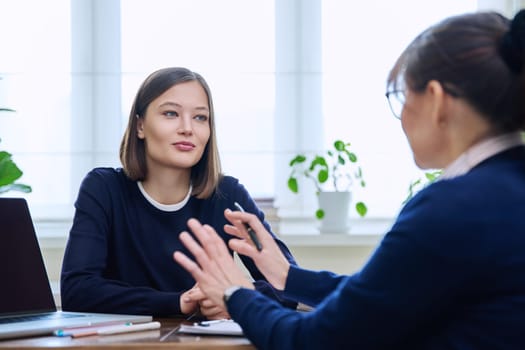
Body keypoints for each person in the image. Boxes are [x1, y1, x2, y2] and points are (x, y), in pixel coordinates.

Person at [174, 10, 525, 349]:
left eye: (400, 97)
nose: (401, 116)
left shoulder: (451, 207)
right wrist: (286, 275)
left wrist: (237, 294)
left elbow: (315, 341)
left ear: (436, 99)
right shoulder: (506, 188)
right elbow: (384, 297)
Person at [60, 67, 298, 319]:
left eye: (200, 118)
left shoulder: (228, 195)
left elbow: (290, 287)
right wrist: (178, 302)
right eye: (171, 113)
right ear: (140, 125)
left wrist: (234, 297)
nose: (187, 128)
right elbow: (77, 291)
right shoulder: (103, 188)